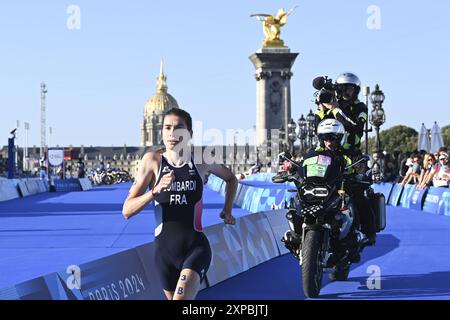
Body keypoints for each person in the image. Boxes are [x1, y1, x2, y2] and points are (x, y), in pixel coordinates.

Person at [122, 108, 238, 300]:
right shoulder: (152, 161)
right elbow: (127, 210)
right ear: (161, 132)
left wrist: (227, 210)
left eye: (179, 128)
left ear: (189, 134)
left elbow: (231, 179)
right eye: (167, 127)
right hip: (164, 255)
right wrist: (154, 191)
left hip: (196, 248)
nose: (172, 133)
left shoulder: (201, 159)